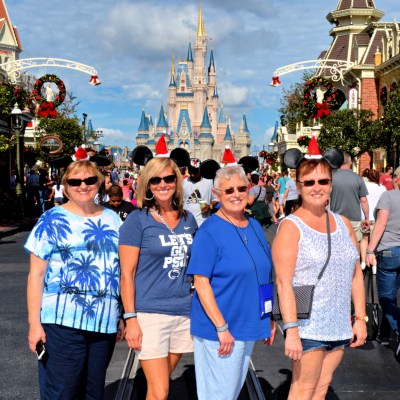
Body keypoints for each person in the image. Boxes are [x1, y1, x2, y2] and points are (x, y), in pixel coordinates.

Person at [25, 160, 124, 399]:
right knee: (62, 392)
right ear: (65, 186)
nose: (83, 185)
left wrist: (122, 315)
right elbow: (36, 275)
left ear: (99, 184)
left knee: (93, 393)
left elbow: (120, 270)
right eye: (75, 181)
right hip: (61, 323)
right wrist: (34, 324)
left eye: (90, 180)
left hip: (104, 322)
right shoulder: (51, 219)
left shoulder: (113, 219)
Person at [272, 155, 367, 400]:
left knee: (321, 389)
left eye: (323, 181)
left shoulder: (344, 223)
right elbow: (283, 283)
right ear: (299, 185)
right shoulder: (291, 227)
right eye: (309, 182)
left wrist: (360, 318)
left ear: (331, 184)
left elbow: (355, 274)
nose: (317, 187)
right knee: (303, 390)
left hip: (338, 323)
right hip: (307, 326)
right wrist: (291, 330)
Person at [187, 165, 276, 400]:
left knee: (230, 393)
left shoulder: (254, 226)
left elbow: (263, 274)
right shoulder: (209, 231)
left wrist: (269, 317)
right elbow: (201, 283)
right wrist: (221, 327)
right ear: (217, 195)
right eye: (228, 191)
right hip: (222, 330)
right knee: (219, 395)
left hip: (247, 325)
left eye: (241, 188)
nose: (236, 194)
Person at [119, 157, 197, 400]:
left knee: (158, 385)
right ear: (147, 185)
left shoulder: (188, 219)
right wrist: (130, 318)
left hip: (183, 311)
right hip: (150, 313)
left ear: (177, 181)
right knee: (161, 390)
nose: (163, 184)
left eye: (168, 178)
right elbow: (127, 274)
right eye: (155, 180)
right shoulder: (137, 219)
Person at [366, 175, 400, 356]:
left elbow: (381, 223)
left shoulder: (390, 196)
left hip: (389, 251)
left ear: (397, 179)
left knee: (386, 298)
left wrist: (370, 250)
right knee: (392, 296)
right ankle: (386, 334)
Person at [330, 152, 369, 242]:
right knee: (355, 245)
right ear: (350, 162)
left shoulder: (332, 178)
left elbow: (327, 199)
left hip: (337, 218)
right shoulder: (358, 178)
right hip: (354, 218)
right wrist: (366, 217)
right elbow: (363, 200)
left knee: (338, 244)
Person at [359, 169, 386, 271]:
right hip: (377, 218)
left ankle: (363, 262)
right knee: (375, 241)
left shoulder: (363, 186)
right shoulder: (382, 188)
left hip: (364, 217)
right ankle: (374, 265)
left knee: (364, 239)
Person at [182, 162, 217, 226]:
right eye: (190, 172)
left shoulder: (209, 182)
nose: (192, 175)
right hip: (186, 222)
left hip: (203, 222)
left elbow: (216, 199)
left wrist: (210, 206)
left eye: (195, 172)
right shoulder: (184, 182)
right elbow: (180, 200)